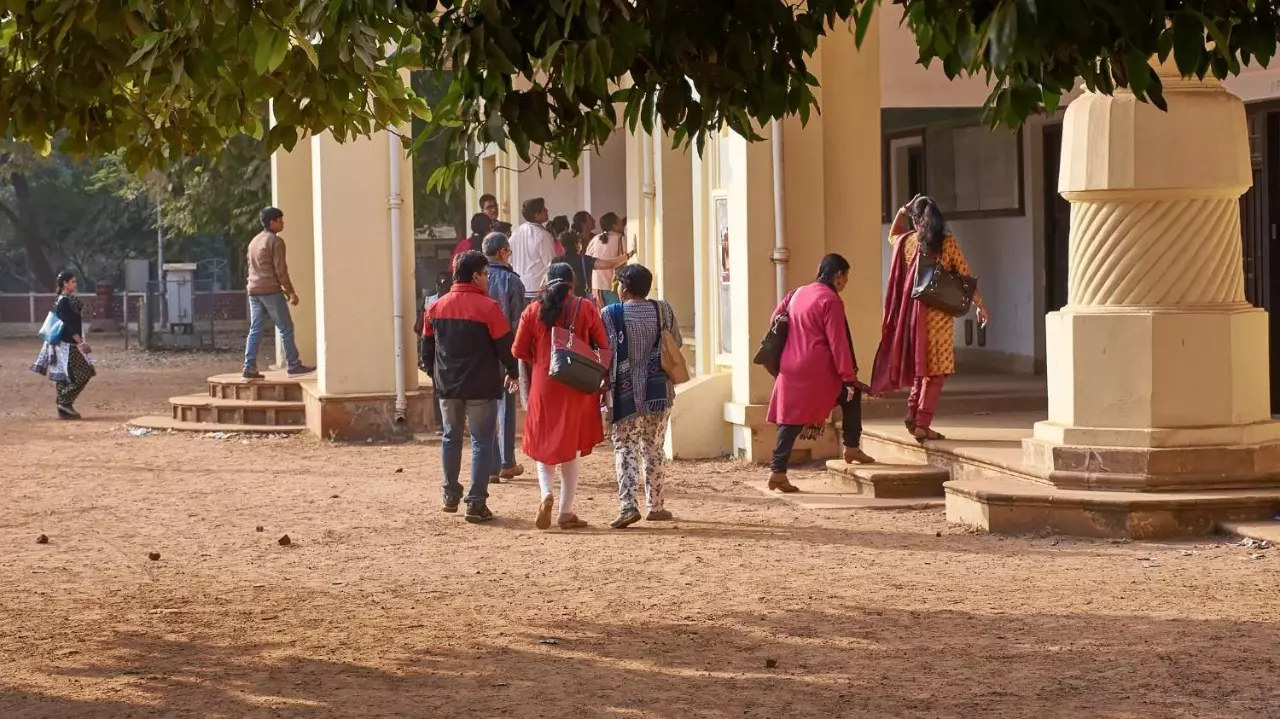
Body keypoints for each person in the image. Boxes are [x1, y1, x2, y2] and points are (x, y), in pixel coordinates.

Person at [872, 195, 989, 443]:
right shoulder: (946, 243)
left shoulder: (906, 242)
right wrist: (980, 306)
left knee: (920, 366)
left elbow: (892, 234)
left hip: (913, 315)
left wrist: (902, 211)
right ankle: (923, 424)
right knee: (937, 371)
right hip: (939, 316)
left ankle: (913, 413)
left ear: (915, 220)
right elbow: (966, 279)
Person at [421, 251, 520, 523]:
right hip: (480, 385)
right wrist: (513, 370)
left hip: (448, 386)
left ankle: (450, 494)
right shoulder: (489, 308)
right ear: (475, 276)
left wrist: (434, 374)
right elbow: (504, 345)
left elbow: (426, 348)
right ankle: (476, 503)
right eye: (486, 274)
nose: (488, 279)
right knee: (481, 441)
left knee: (450, 437)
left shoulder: (435, 307)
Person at [765, 255, 877, 493]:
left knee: (790, 419)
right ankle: (852, 446)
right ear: (838, 275)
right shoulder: (831, 300)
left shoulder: (797, 293)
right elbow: (839, 343)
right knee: (852, 394)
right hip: (816, 369)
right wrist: (848, 377)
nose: (846, 282)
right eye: (846, 277)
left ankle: (777, 471)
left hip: (789, 365)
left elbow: (775, 318)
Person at [512, 262, 608, 531]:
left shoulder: (532, 311)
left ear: (546, 281)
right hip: (577, 383)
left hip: (544, 383)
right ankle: (566, 511)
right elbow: (603, 345)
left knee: (544, 442)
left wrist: (540, 357)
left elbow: (518, 350)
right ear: (572, 283)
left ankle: (546, 494)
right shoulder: (586, 308)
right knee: (571, 445)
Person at [601, 264, 681, 527]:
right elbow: (676, 343)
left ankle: (628, 506)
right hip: (659, 392)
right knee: (654, 447)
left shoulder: (611, 314)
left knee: (625, 447)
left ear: (623, 289)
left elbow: (605, 349)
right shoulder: (663, 310)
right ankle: (655, 505)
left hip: (624, 392)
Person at [242, 207, 314, 379]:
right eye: (280, 220)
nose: (282, 223)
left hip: (253, 290)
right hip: (270, 290)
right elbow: (281, 270)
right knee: (286, 328)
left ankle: (249, 367)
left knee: (255, 329)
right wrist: (291, 292)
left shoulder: (254, 241)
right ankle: (293, 365)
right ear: (272, 222)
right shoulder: (275, 241)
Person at [482, 232, 527, 484]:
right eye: (508, 250)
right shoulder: (512, 282)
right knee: (506, 405)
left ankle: (490, 465)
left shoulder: (478, 278)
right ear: (502, 252)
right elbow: (517, 322)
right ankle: (506, 462)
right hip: (506, 349)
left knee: (485, 406)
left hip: (481, 350)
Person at [49, 271, 95, 419]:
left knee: (63, 377)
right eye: (73, 282)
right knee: (85, 373)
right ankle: (63, 401)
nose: (75, 284)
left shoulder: (63, 300)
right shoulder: (64, 301)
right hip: (67, 344)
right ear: (65, 283)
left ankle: (64, 409)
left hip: (61, 344)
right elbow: (69, 324)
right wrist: (81, 343)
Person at [419, 271, 453, 435]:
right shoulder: (455, 302)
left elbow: (420, 331)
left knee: (439, 391)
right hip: (447, 354)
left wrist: (426, 359)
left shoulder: (430, 302)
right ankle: (447, 424)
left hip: (437, 356)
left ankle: (443, 425)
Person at [556, 230, 632, 300]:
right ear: (577, 244)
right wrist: (628, 255)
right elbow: (609, 264)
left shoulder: (555, 261)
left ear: (562, 246)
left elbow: (545, 282)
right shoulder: (584, 260)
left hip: (561, 301)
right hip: (580, 303)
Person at [509, 197, 556, 301]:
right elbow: (551, 264)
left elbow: (509, 259)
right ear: (536, 215)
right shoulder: (543, 235)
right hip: (537, 289)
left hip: (519, 287)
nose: (547, 210)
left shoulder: (516, 233)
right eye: (543, 209)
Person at [584, 212, 626, 306]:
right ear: (614, 226)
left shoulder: (595, 239)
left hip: (596, 287)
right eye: (620, 222)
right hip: (612, 286)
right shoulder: (621, 239)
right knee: (614, 316)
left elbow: (587, 259)